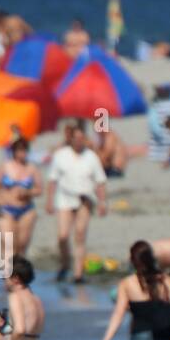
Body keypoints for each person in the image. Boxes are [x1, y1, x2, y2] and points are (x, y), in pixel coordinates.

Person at [46, 121, 108, 283]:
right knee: (63, 235)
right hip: (65, 198)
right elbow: (52, 180)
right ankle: (65, 262)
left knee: (80, 234)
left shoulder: (91, 157)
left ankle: (78, 273)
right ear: (70, 139)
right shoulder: (61, 155)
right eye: (76, 138)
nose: (79, 141)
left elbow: (100, 181)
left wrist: (102, 202)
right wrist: (49, 201)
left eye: (82, 138)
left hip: (85, 198)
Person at [0, 138, 42, 256]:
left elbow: (39, 189)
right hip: (7, 209)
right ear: (14, 152)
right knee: (7, 243)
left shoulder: (32, 168)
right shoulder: (5, 167)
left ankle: (18, 272)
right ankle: (7, 273)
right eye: (19, 150)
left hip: (26, 210)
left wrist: (28, 192)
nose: (22, 154)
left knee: (22, 245)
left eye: (24, 151)